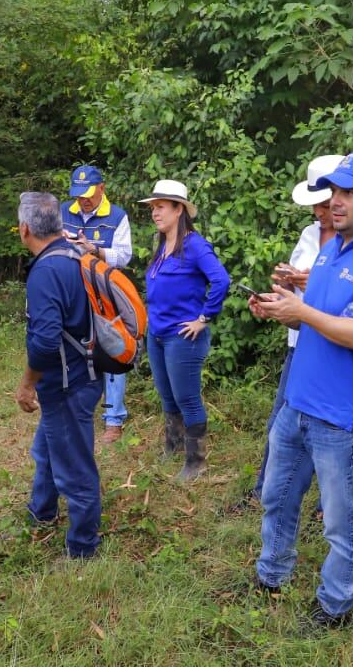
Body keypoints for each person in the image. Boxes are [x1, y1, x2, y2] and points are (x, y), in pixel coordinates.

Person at [249, 151, 353, 627]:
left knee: (341, 524)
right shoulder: (329, 248)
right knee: (276, 499)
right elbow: (321, 310)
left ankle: (335, 604)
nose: (335, 202)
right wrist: (283, 303)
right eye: (333, 192)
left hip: (341, 418)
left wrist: (302, 314)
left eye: (348, 193)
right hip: (296, 403)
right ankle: (272, 574)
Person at [247, 154, 342, 504]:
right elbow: (296, 288)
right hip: (299, 341)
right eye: (315, 205)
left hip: (336, 342)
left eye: (324, 203)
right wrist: (276, 293)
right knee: (281, 422)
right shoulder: (310, 233)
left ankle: (325, 505)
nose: (318, 212)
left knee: (332, 426)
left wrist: (310, 279)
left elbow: (351, 291)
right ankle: (265, 493)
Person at [14, 191, 104, 558]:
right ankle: (42, 511)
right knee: (47, 449)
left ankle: (83, 547)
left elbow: (45, 343)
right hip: (85, 374)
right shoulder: (74, 256)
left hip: (68, 383)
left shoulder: (46, 270)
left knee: (75, 470)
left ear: (24, 230)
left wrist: (26, 384)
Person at [139, 179, 230, 481]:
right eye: (153, 207)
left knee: (187, 398)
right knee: (167, 396)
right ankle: (173, 448)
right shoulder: (162, 244)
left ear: (179, 210)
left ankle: (196, 462)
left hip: (183, 337)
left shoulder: (194, 245)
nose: (155, 213)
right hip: (158, 334)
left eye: (161, 207)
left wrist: (204, 317)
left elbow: (221, 280)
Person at [61, 165, 133, 444]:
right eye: (79, 195)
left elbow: (125, 256)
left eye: (89, 193)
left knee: (112, 349)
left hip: (105, 297)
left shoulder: (117, 217)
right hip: (73, 293)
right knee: (75, 351)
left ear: (102, 187)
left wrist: (96, 250)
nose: (84, 200)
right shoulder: (64, 211)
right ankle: (79, 409)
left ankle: (114, 419)